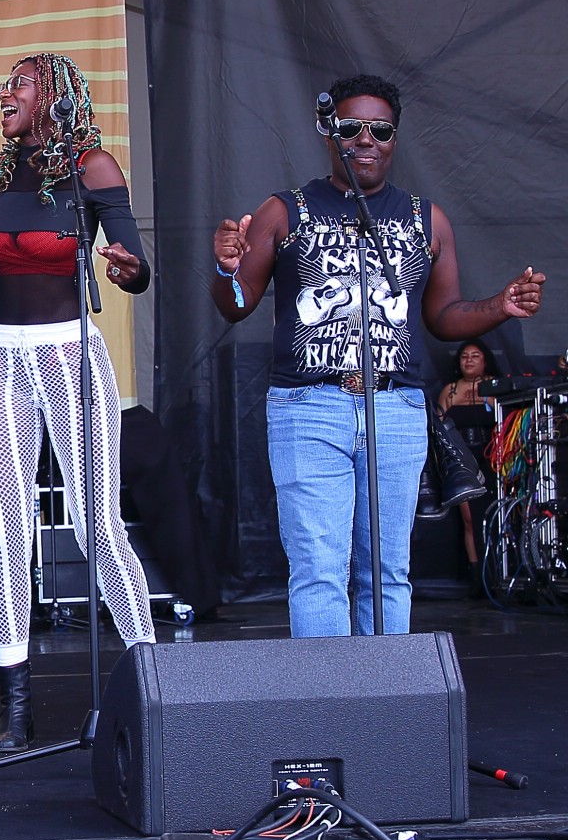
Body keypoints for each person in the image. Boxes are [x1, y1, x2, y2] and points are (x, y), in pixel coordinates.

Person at [210, 73, 544, 637]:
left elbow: (442, 318)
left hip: (395, 409)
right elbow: (236, 306)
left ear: (395, 138)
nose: (365, 140)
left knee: (388, 573)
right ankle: (332, 710)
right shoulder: (283, 210)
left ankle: (385, 708)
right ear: (328, 132)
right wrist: (225, 267)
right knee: (319, 571)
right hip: (308, 406)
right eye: (351, 128)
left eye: (380, 131)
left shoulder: (426, 219)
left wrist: (500, 306)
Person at [0, 54, 156, 751]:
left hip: (69, 355)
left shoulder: (93, 167)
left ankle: (153, 682)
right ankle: (15, 705)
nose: (3, 94)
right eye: (3, 85)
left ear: (57, 93)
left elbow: (133, 267)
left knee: (96, 524)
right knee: (6, 531)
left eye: (18, 84)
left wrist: (130, 267)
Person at [437, 341, 501, 589]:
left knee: (495, 514)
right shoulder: (450, 390)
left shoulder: (494, 386)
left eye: (475, 356)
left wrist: (487, 399)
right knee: (468, 517)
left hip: (493, 459)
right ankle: (477, 576)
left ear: (485, 360)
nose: (469, 360)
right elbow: (439, 427)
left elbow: (508, 418)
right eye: (465, 356)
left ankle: (499, 571)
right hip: (462, 460)